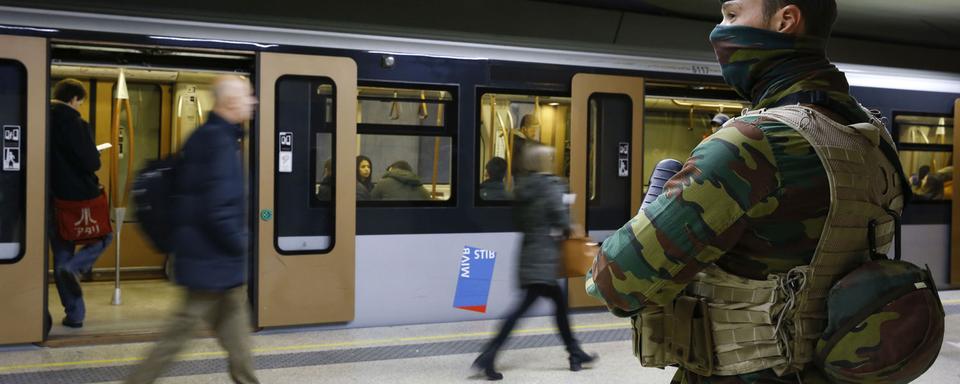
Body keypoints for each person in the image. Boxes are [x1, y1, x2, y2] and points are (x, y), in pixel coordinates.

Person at [586, 1, 905, 383]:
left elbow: (616, 284)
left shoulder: (751, 143)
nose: (718, 31)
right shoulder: (872, 138)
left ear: (786, 20)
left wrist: (649, 212)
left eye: (733, 15)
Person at [125, 76, 260, 384]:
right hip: (211, 261)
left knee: (238, 342)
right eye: (248, 97)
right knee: (176, 336)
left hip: (218, 265)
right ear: (230, 102)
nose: (253, 102)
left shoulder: (210, 137)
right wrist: (241, 242)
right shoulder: (218, 142)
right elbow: (217, 206)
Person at [472, 145, 596, 380]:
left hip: (529, 253)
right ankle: (488, 355)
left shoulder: (522, 187)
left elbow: (519, 222)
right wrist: (573, 227)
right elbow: (561, 219)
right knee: (526, 310)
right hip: (544, 257)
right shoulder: (549, 185)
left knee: (556, 305)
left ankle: (575, 352)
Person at [49, 78, 114, 329]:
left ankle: (75, 314)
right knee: (104, 236)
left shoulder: (40, 117)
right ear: (74, 99)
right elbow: (91, 163)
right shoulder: (75, 123)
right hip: (78, 197)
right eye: (80, 103)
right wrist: (94, 153)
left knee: (62, 248)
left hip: (51, 199)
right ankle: (76, 267)